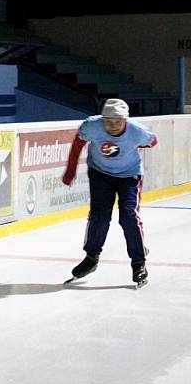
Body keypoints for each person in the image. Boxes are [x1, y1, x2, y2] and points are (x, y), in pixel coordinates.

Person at [62, 98, 158, 285]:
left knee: (129, 216)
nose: (112, 127)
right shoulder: (92, 126)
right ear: (102, 119)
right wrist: (71, 170)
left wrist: (134, 145)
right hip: (100, 174)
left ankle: (139, 262)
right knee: (99, 216)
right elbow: (77, 144)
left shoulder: (136, 131)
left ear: (126, 121)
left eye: (117, 122)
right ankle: (91, 258)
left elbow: (153, 141)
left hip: (129, 176)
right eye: (108, 122)